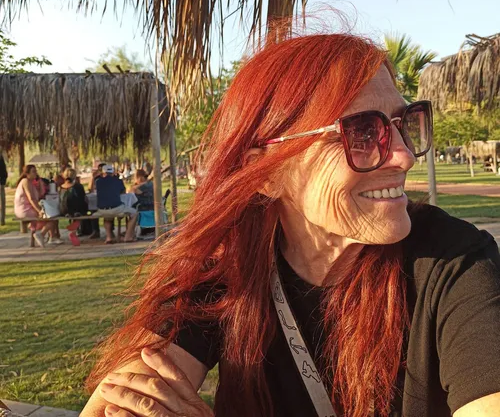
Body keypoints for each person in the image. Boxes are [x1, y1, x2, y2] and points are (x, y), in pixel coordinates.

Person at [82, 33, 500, 417]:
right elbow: (121, 402)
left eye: (403, 124)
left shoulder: (454, 262)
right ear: (266, 172)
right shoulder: (226, 273)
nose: (405, 156)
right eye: (361, 133)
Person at [14, 165, 60, 246]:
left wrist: (41, 184)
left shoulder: (31, 182)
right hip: (24, 210)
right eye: (33, 171)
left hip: (29, 208)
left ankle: (45, 236)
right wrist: (39, 211)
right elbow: (31, 198)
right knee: (52, 217)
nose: (36, 173)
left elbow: (39, 196)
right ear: (27, 173)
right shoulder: (25, 181)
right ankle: (42, 234)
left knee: (50, 215)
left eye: (36, 171)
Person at [94, 165, 138, 244]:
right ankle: (128, 237)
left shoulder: (98, 182)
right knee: (134, 213)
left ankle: (108, 237)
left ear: (103, 173)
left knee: (107, 217)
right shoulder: (118, 181)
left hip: (102, 210)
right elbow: (123, 192)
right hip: (116, 207)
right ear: (112, 172)